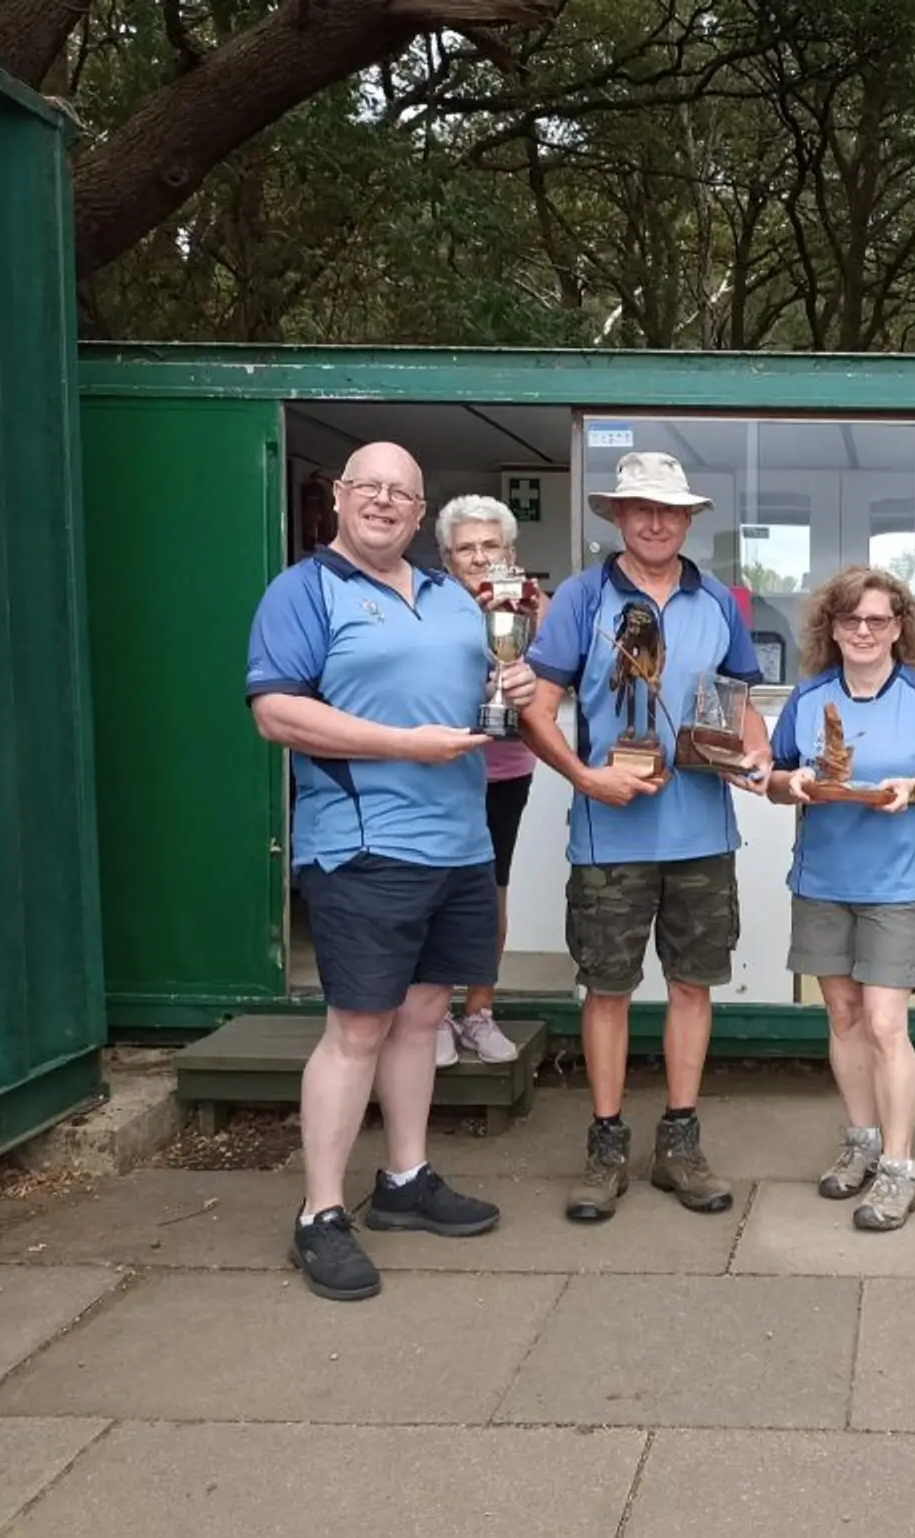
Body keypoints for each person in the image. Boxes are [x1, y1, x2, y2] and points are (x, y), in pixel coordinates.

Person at [245, 443, 528, 1302]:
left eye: (400, 493)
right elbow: (275, 713)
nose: (383, 502)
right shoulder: (304, 590)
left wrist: (513, 674)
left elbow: (491, 686)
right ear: (339, 497)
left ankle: (404, 1180)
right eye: (368, 487)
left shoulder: (453, 595)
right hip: (365, 845)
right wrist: (405, 744)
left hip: (460, 842)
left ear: (417, 512)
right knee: (357, 1028)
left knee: (424, 1016)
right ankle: (320, 1214)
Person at [520, 451, 771, 1223]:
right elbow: (535, 704)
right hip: (609, 834)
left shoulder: (718, 600)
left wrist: (755, 752)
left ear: (690, 518)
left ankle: (679, 1144)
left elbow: (738, 700)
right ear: (616, 517)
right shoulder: (582, 599)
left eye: (669, 510)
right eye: (640, 509)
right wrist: (584, 777)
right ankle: (605, 1146)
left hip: (701, 829)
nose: (656, 522)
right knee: (607, 990)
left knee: (693, 986)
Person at [765, 567, 915, 1232]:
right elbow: (771, 777)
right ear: (831, 627)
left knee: (887, 1025)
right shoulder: (807, 697)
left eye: (878, 620)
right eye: (851, 619)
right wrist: (790, 782)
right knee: (843, 1016)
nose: (863, 631)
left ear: (899, 628)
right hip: (823, 879)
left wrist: (912, 791)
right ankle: (858, 1141)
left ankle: (898, 1168)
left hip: (897, 884)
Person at [434, 493, 544, 1068]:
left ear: (509, 550)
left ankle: (479, 1011)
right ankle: (430, 1015)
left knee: (489, 892)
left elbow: (556, 675)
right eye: (466, 548)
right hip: (438, 765)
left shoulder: (529, 602)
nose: (479, 557)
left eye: (490, 545)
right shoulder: (424, 603)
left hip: (504, 769)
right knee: (430, 888)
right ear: (447, 557)